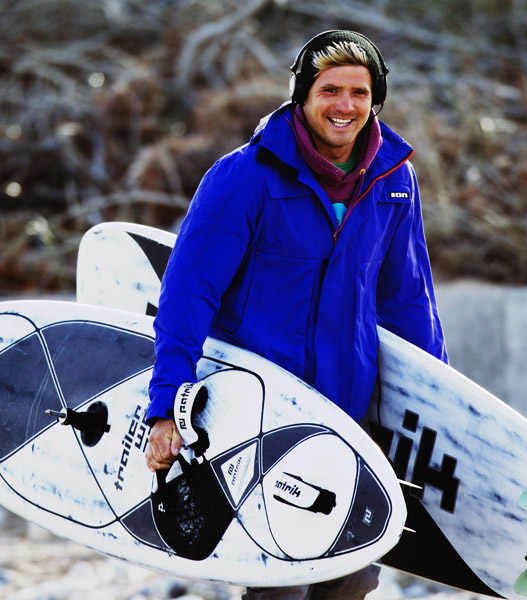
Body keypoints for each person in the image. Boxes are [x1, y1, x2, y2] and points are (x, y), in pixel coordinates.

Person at [144, 30, 448, 600]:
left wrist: (435, 414)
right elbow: (186, 298)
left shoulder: (394, 180)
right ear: (302, 96)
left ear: (375, 99)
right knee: (279, 583)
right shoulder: (244, 178)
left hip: (347, 417)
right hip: (259, 416)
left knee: (353, 576)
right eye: (330, 90)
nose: (345, 106)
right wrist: (165, 407)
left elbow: (410, 303)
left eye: (359, 93)